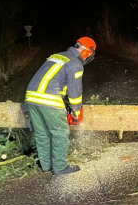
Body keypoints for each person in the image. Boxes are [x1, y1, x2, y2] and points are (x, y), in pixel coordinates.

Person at [25, 37, 96, 176]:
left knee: (42, 133)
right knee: (60, 133)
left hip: (31, 97)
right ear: (87, 52)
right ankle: (60, 167)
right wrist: (76, 110)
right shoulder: (76, 64)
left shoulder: (59, 55)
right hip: (49, 98)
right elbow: (74, 91)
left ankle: (46, 166)